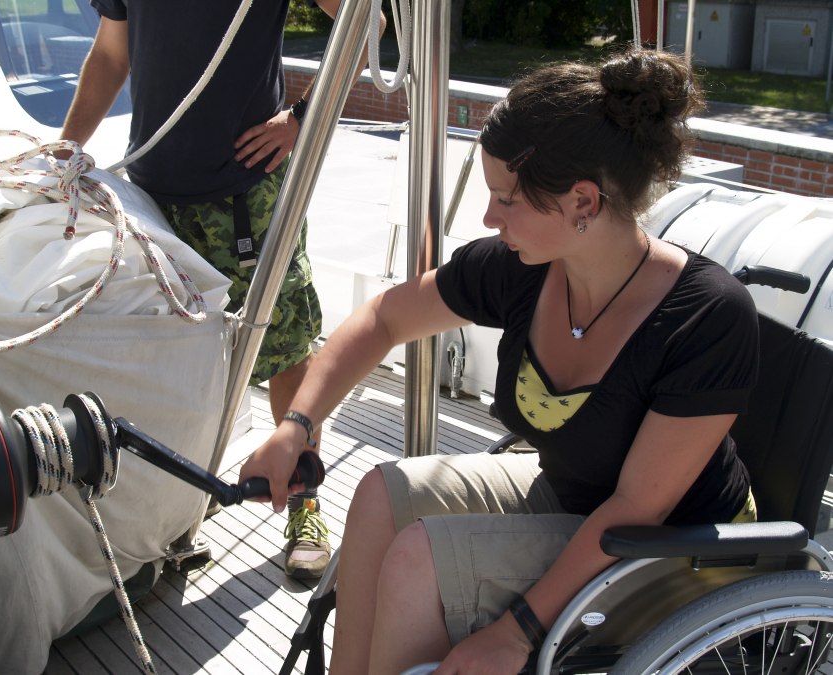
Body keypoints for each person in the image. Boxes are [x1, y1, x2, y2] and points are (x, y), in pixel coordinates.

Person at [239, 46, 761, 673]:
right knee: (380, 495)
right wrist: (296, 426)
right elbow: (383, 319)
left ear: (583, 203)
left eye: (506, 199)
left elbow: (634, 510)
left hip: (671, 553)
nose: (488, 217)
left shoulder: (706, 318)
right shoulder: (522, 271)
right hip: (570, 500)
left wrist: (517, 632)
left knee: (417, 564)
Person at [60, 0, 383, 579]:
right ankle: (179, 508)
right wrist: (65, 153)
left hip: (244, 193)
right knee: (175, 353)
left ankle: (304, 502)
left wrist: (303, 116)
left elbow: (368, 24)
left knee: (282, 347)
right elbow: (112, 55)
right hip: (152, 192)